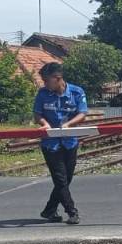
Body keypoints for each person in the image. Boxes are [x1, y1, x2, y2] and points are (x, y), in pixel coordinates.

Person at [34, 61, 88, 225]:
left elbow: (83, 113)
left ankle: (49, 210)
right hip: (50, 144)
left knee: (67, 178)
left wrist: (69, 124)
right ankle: (72, 211)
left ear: (58, 78)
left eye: (46, 80)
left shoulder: (77, 92)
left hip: (70, 141)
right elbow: (37, 114)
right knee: (60, 179)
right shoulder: (43, 94)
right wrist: (44, 124)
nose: (44, 84)